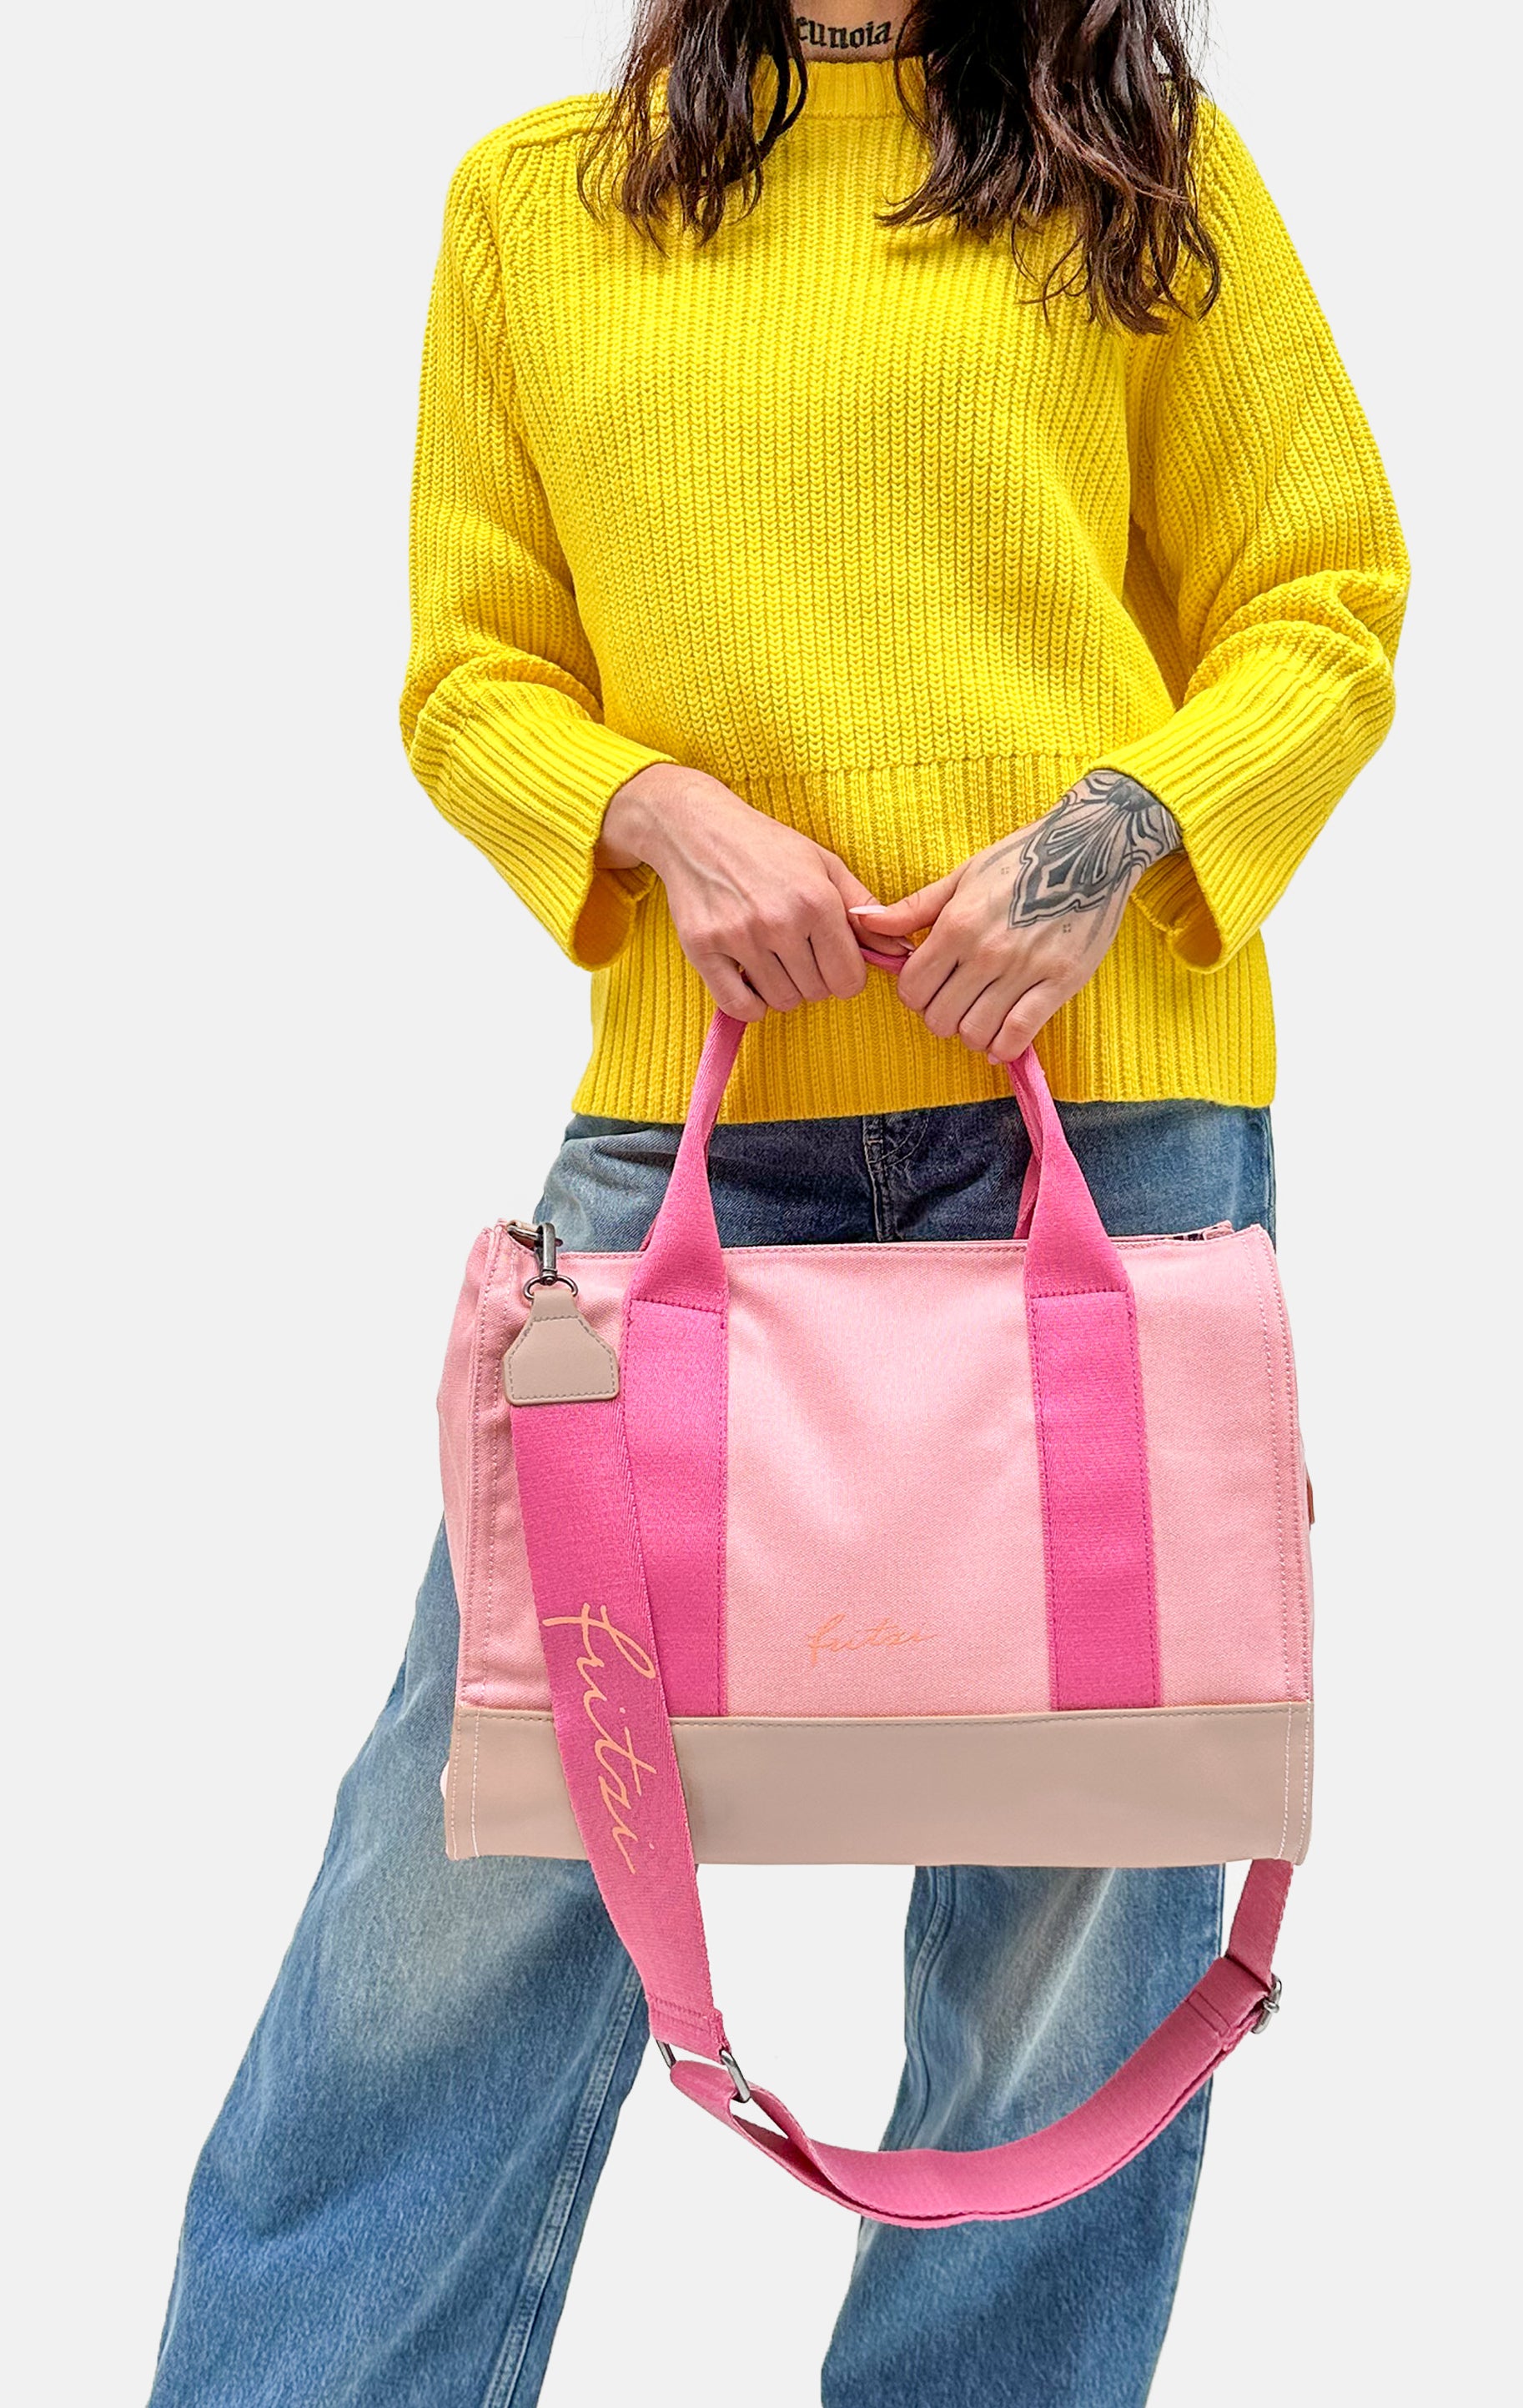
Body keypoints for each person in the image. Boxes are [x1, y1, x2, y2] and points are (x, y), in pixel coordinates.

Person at [148, 3, 1408, 2400]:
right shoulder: (537, 207)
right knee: (475, 1875)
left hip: (1107, 1134)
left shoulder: (1143, 175)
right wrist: (654, 814)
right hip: (692, 1144)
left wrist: (1104, 842)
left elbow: (1323, 601)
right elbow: (473, 675)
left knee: (1078, 1924)